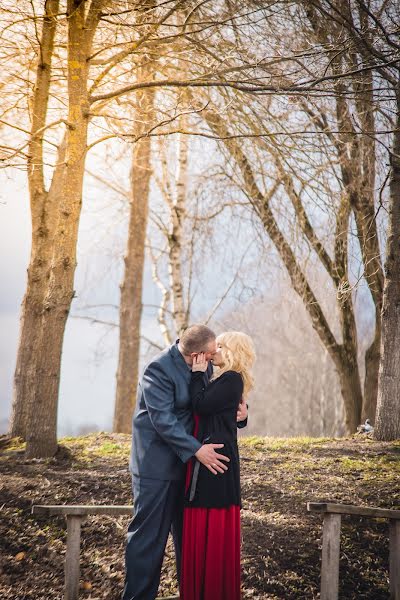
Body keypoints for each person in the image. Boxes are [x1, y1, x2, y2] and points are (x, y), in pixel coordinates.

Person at [122, 324, 248, 600]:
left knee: (188, 544)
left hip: (190, 470)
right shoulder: (158, 370)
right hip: (156, 469)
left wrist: (241, 413)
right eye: (213, 352)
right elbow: (163, 421)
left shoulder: (204, 367)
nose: (216, 357)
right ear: (198, 355)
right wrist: (196, 450)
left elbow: (210, 405)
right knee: (147, 542)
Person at [181, 331, 256, 600]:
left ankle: (208, 590)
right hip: (214, 455)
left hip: (216, 462)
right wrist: (243, 418)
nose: (214, 351)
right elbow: (227, 414)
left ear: (233, 351)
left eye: (221, 346)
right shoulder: (227, 380)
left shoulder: (231, 378)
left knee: (210, 521)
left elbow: (201, 405)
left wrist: (197, 374)